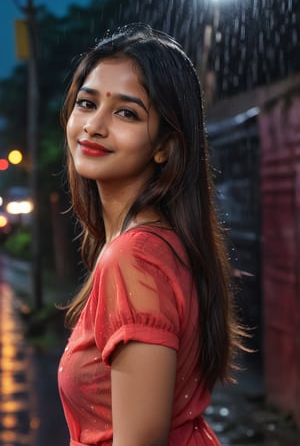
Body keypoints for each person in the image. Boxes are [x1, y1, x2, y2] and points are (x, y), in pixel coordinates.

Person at [58, 23, 245, 446]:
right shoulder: (159, 244)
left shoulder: (136, 258)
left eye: (127, 112)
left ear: (165, 145)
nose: (94, 125)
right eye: (87, 103)